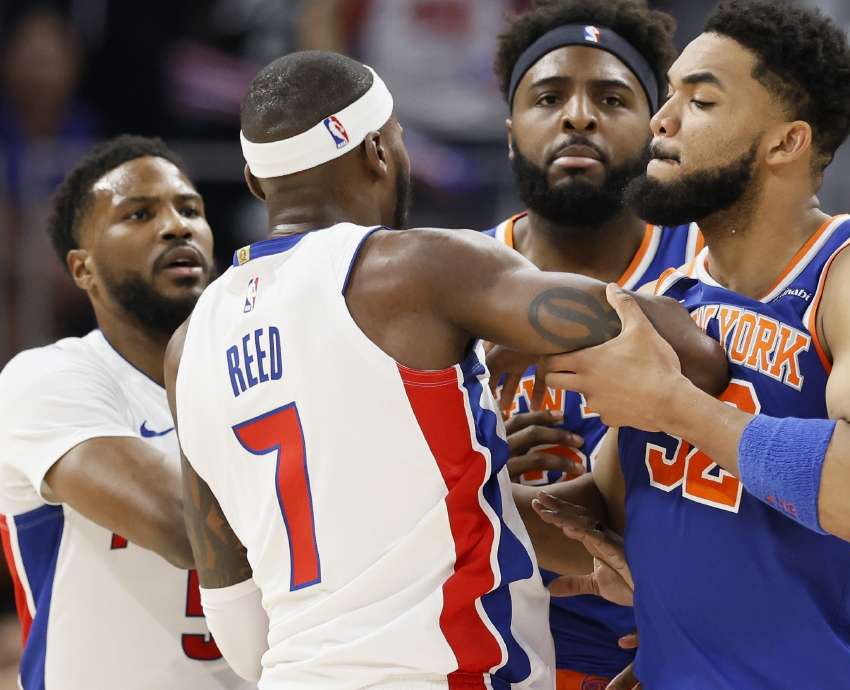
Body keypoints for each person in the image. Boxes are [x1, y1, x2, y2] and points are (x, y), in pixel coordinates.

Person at [166, 51, 725, 688]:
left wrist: (502, 507)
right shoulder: (419, 269)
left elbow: (236, 615)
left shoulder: (189, 344)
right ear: (378, 150)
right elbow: (691, 354)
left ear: (257, 182)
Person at [520, 1, 850, 687]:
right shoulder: (677, 295)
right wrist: (473, 483)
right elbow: (607, 511)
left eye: (700, 100)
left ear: (785, 143)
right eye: (669, 94)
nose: (663, 119)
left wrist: (673, 405)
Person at [488, 2, 695, 687]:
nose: (578, 116)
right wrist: (475, 463)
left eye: (611, 97)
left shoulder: (708, 279)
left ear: (657, 127)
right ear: (512, 130)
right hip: (494, 653)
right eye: (549, 98)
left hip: (672, 655)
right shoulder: (448, 285)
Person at [0, 135, 248, 689]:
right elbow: (183, 526)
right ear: (82, 268)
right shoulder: (47, 380)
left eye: (190, 209)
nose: (176, 226)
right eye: (139, 213)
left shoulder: (255, 377)